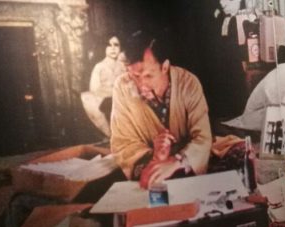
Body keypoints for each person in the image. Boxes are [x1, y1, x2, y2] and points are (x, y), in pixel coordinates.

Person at [111, 32, 212, 188]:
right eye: (135, 76)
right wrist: (156, 157)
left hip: (185, 162)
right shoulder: (122, 87)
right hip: (148, 163)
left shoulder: (188, 83)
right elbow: (123, 142)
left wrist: (176, 161)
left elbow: (202, 137)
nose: (141, 85)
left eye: (148, 76)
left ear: (165, 67)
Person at [80, 35, 125, 137]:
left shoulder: (124, 65)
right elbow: (94, 89)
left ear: (120, 47)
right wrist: (110, 92)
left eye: (116, 45)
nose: (113, 48)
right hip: (106, 100)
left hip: (123, 98)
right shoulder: (99, 66)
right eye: (109, 45)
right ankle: (112, 134)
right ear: (104, 48)